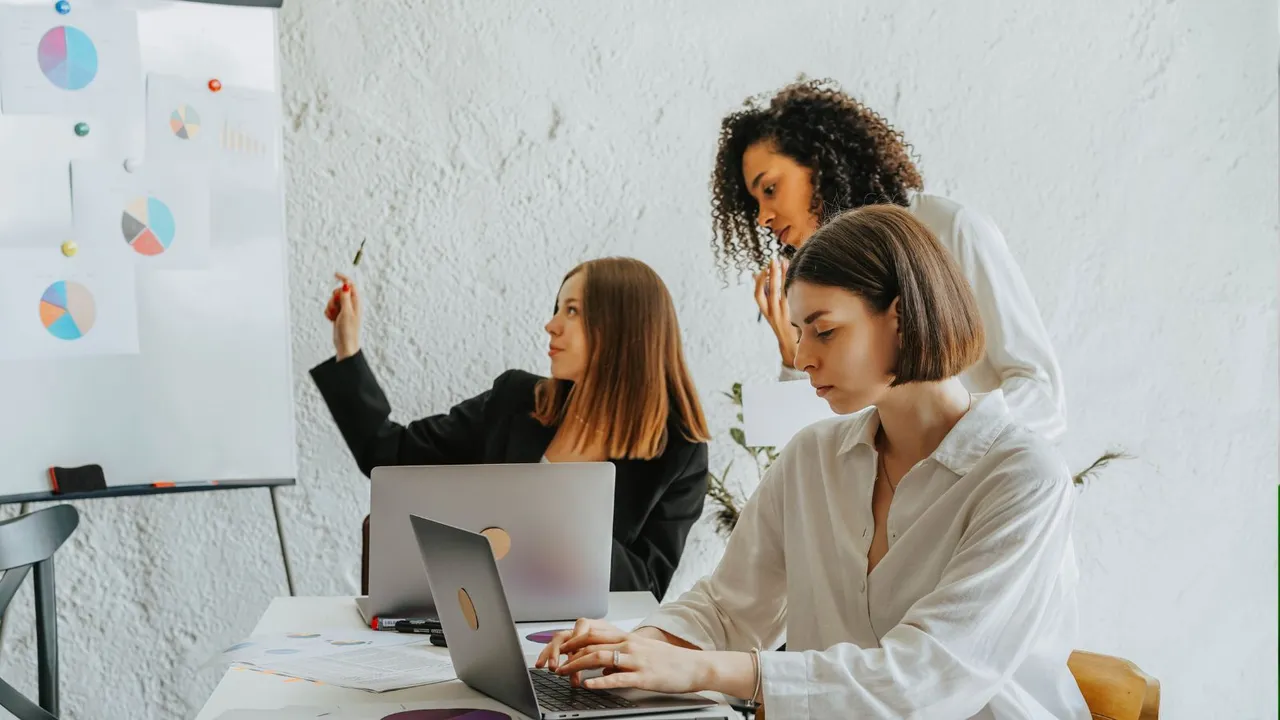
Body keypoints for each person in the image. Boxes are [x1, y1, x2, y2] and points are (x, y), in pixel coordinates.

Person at [537, 207, 1089, 719]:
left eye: (823, 330)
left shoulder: (1022, 478)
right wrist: (637, 647)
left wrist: (703, 669)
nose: (801, 357)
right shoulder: (813, 457)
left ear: (901, 316)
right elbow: (730, 609)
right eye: (798, 332)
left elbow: (927, 679)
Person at [310, 257, 711, 601]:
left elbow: (646, 591)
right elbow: (387, 454)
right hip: (476, 623)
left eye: (572, 311)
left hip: (577, 648)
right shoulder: (516, 401)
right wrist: (348, 348)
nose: (551, 325)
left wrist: (559, 508)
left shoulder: (679, 453)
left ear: (624, 329)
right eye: (558, 307)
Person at [711, 78, 1068, 441]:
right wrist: (793, 351)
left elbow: (1042, 397)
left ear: (820, 165)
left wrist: (945, 444)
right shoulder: (820, 283)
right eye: (754, 203)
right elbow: (811, 446)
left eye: (770, 189)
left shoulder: (950, 230)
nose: (762, 217)